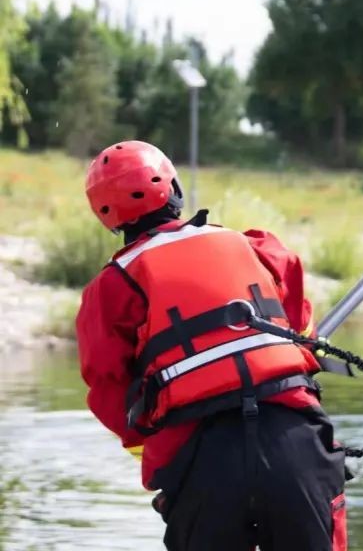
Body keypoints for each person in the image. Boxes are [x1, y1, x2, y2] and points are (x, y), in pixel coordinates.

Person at [76, 140, 348, 551]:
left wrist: (160, 457)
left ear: (105, 216)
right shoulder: (255, 247)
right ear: (174, 187)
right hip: (293, 444)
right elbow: (300, 327)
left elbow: (109, 392)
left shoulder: (112, 288)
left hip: (200, 462)